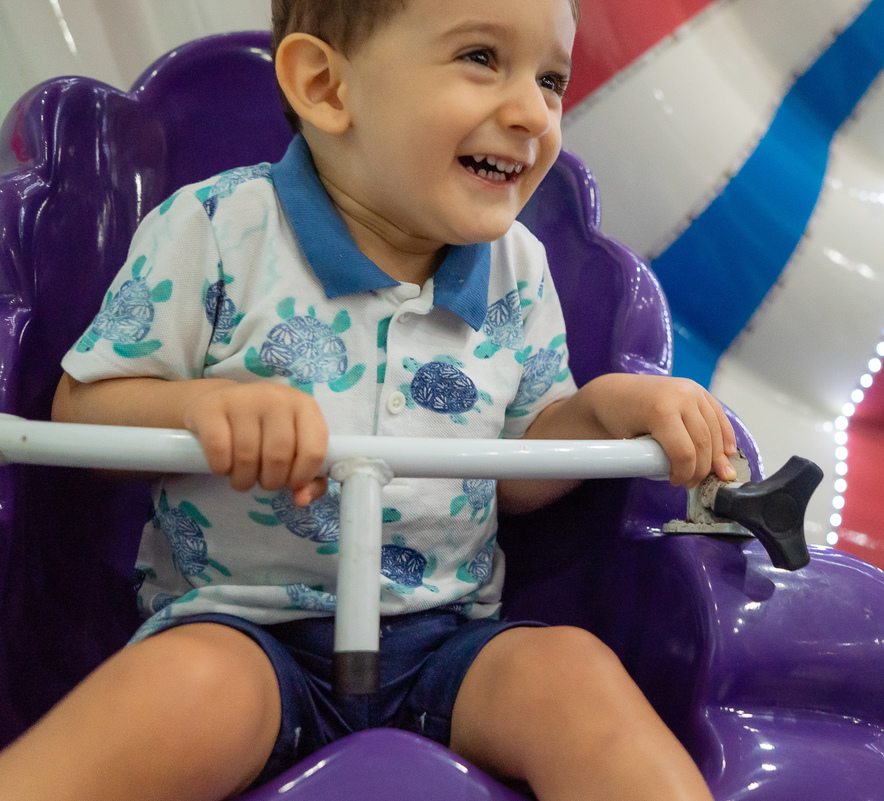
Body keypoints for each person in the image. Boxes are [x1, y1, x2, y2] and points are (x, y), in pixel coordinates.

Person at [0, 1, 739, 800]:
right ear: (325, 87)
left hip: (450, 643)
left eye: (552, 78)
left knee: (573, 673)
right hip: (241, 627)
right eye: (483, 58)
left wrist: (605, 410)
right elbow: (81, 407)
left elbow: (522, 464)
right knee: (189, 689)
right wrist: (202, 406)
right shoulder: (217, 228)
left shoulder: (517, 268)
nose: (532, 111)